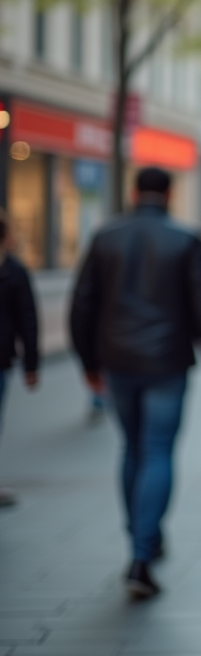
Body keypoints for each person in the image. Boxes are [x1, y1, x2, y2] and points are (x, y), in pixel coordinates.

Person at [70, 167, 201, 600]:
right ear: (171, 193)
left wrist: (88, 362)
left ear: (133, 190)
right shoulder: (186, 239)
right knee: (158, 448)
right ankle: (144, 550)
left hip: (118, 360)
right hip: (168, 361)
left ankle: (138, 537)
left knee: (133, 447)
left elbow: (81, 303)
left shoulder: (106, 237)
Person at [0, 212, 38, 507]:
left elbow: (27, 319)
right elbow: (28, 319)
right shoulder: (14, 270)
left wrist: (31, 363)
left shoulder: (13, 271)